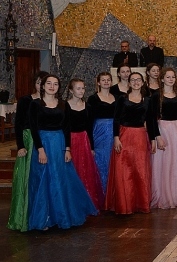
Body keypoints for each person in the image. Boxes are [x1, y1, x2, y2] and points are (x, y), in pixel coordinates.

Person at [28, 74, 97, 230]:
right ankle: (45, 218)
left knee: (60, 180)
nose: (52, 86)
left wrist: (67, 149)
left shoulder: (63, 104)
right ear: (43, 86)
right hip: (43, 143)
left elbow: (66, 127)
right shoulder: (35, 104)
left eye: (56, 84)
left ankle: (61, 215)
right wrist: (40, 150)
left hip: (59, 144)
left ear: (59, 87)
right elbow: (33, 128)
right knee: (44, 181)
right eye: (49, 83)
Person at [105, 72, 154, 214]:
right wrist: (116, 137)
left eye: (138, 80)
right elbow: (116, 119)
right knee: (124, 171)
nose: (136, 82)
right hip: (124, 135)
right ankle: (124, 204)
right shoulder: (122, 99)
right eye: (133, 80)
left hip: (140, 137)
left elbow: (150, 121)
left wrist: (153, 139)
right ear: (129, 82)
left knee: (140, 170)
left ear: (143, 82)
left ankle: (140, 203)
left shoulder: (148, 100)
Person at [7, 71, 47, 232]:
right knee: (28, 178)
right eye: (38, 83)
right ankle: (25, 215)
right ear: (35, 84)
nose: (41, 86)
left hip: (45, 139)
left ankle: (42, 215)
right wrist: (21, 145)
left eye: (43, 83)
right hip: (28, 139)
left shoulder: (49, 101)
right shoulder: (26, 100)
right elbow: (18, 124)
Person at [151, 68, 177, 209]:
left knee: (176, 162)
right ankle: (163, 195)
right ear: (162, 79)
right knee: (163, 163)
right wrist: (157, 136)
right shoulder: (156, 96)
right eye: (168, 77)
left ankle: (175, 194)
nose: (171, 79)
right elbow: (152, 118)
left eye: (173, 77)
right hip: (163, 129)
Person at [66, 78, 104, 210]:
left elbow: (89, 128)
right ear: (71, 90)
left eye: (83, 88)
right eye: (78, 88)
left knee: (84, 171)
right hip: (70, 140)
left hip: (83, 140)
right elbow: (64, 128)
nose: (81, 91)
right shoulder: (65, 105)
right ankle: (72, 202)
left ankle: (85, 202)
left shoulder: (87, 106)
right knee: (72, 170)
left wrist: (92, 147)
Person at [87, 72, 117, 192]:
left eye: (108, 80)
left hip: (114, 131)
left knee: (114, 161)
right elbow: (89, 120)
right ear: (98, 82)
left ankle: (113, 194)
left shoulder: (117, 97)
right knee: (101, 161)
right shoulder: (93, 98)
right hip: (99, 132)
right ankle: (101, 192)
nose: (106, 82)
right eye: (103, 80)